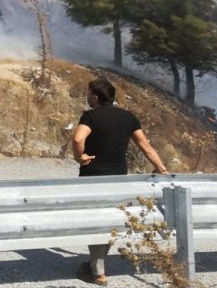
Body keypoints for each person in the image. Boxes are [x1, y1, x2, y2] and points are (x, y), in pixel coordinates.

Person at [72, 77, 168, 286]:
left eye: (89, 93)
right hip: (118, 176)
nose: (88, 97)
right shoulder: (128, 118)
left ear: (95, 97)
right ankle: (95, 265)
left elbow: (78, 139)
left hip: (93, 176)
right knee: (109, 221)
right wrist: (161, 168)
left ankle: (98, 272)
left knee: (97, 221)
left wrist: (80, 157)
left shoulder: (91, 115)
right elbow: (145, 146)